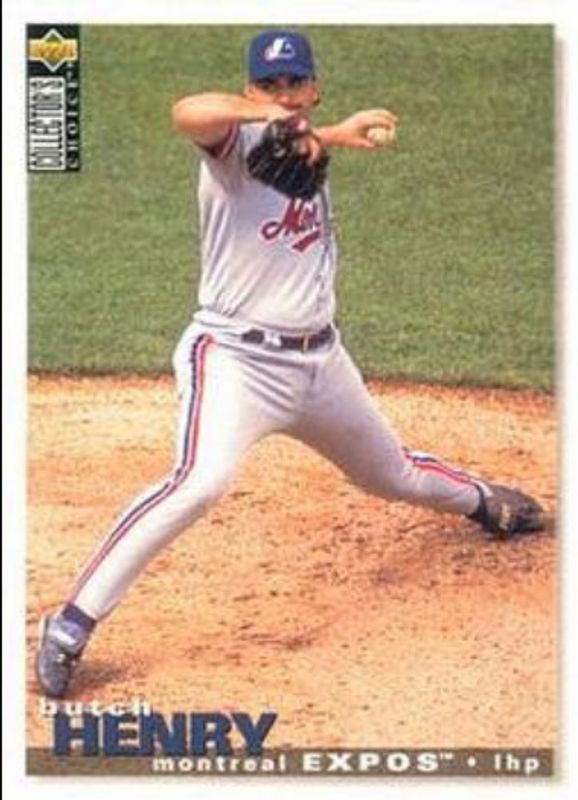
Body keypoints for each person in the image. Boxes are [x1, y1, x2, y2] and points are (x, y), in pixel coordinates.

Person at [36, 30, 544, 698]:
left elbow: (295, 146)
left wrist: (333, 133)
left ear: (315, 88)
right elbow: (187, 111)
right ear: (250, 90)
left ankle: (483, 501)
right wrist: (270, 115)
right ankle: (71, 624)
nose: (283, 94)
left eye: (294, 83)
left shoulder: (301, 146)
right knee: (199, 482)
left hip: (321, 365)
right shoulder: (230, 146)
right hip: (235, 360)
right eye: (268, 84)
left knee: (391, 473)